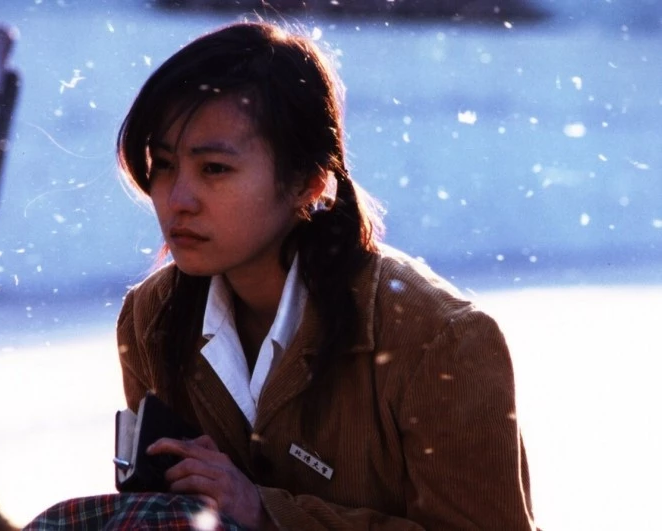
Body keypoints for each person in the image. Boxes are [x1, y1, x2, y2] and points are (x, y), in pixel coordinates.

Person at [27, 19, 536, 531]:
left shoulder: (441, 340)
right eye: (162, 164)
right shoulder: (151, 317)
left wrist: (264, 512)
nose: (178, 199)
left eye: (214, 169)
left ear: (307, 183)